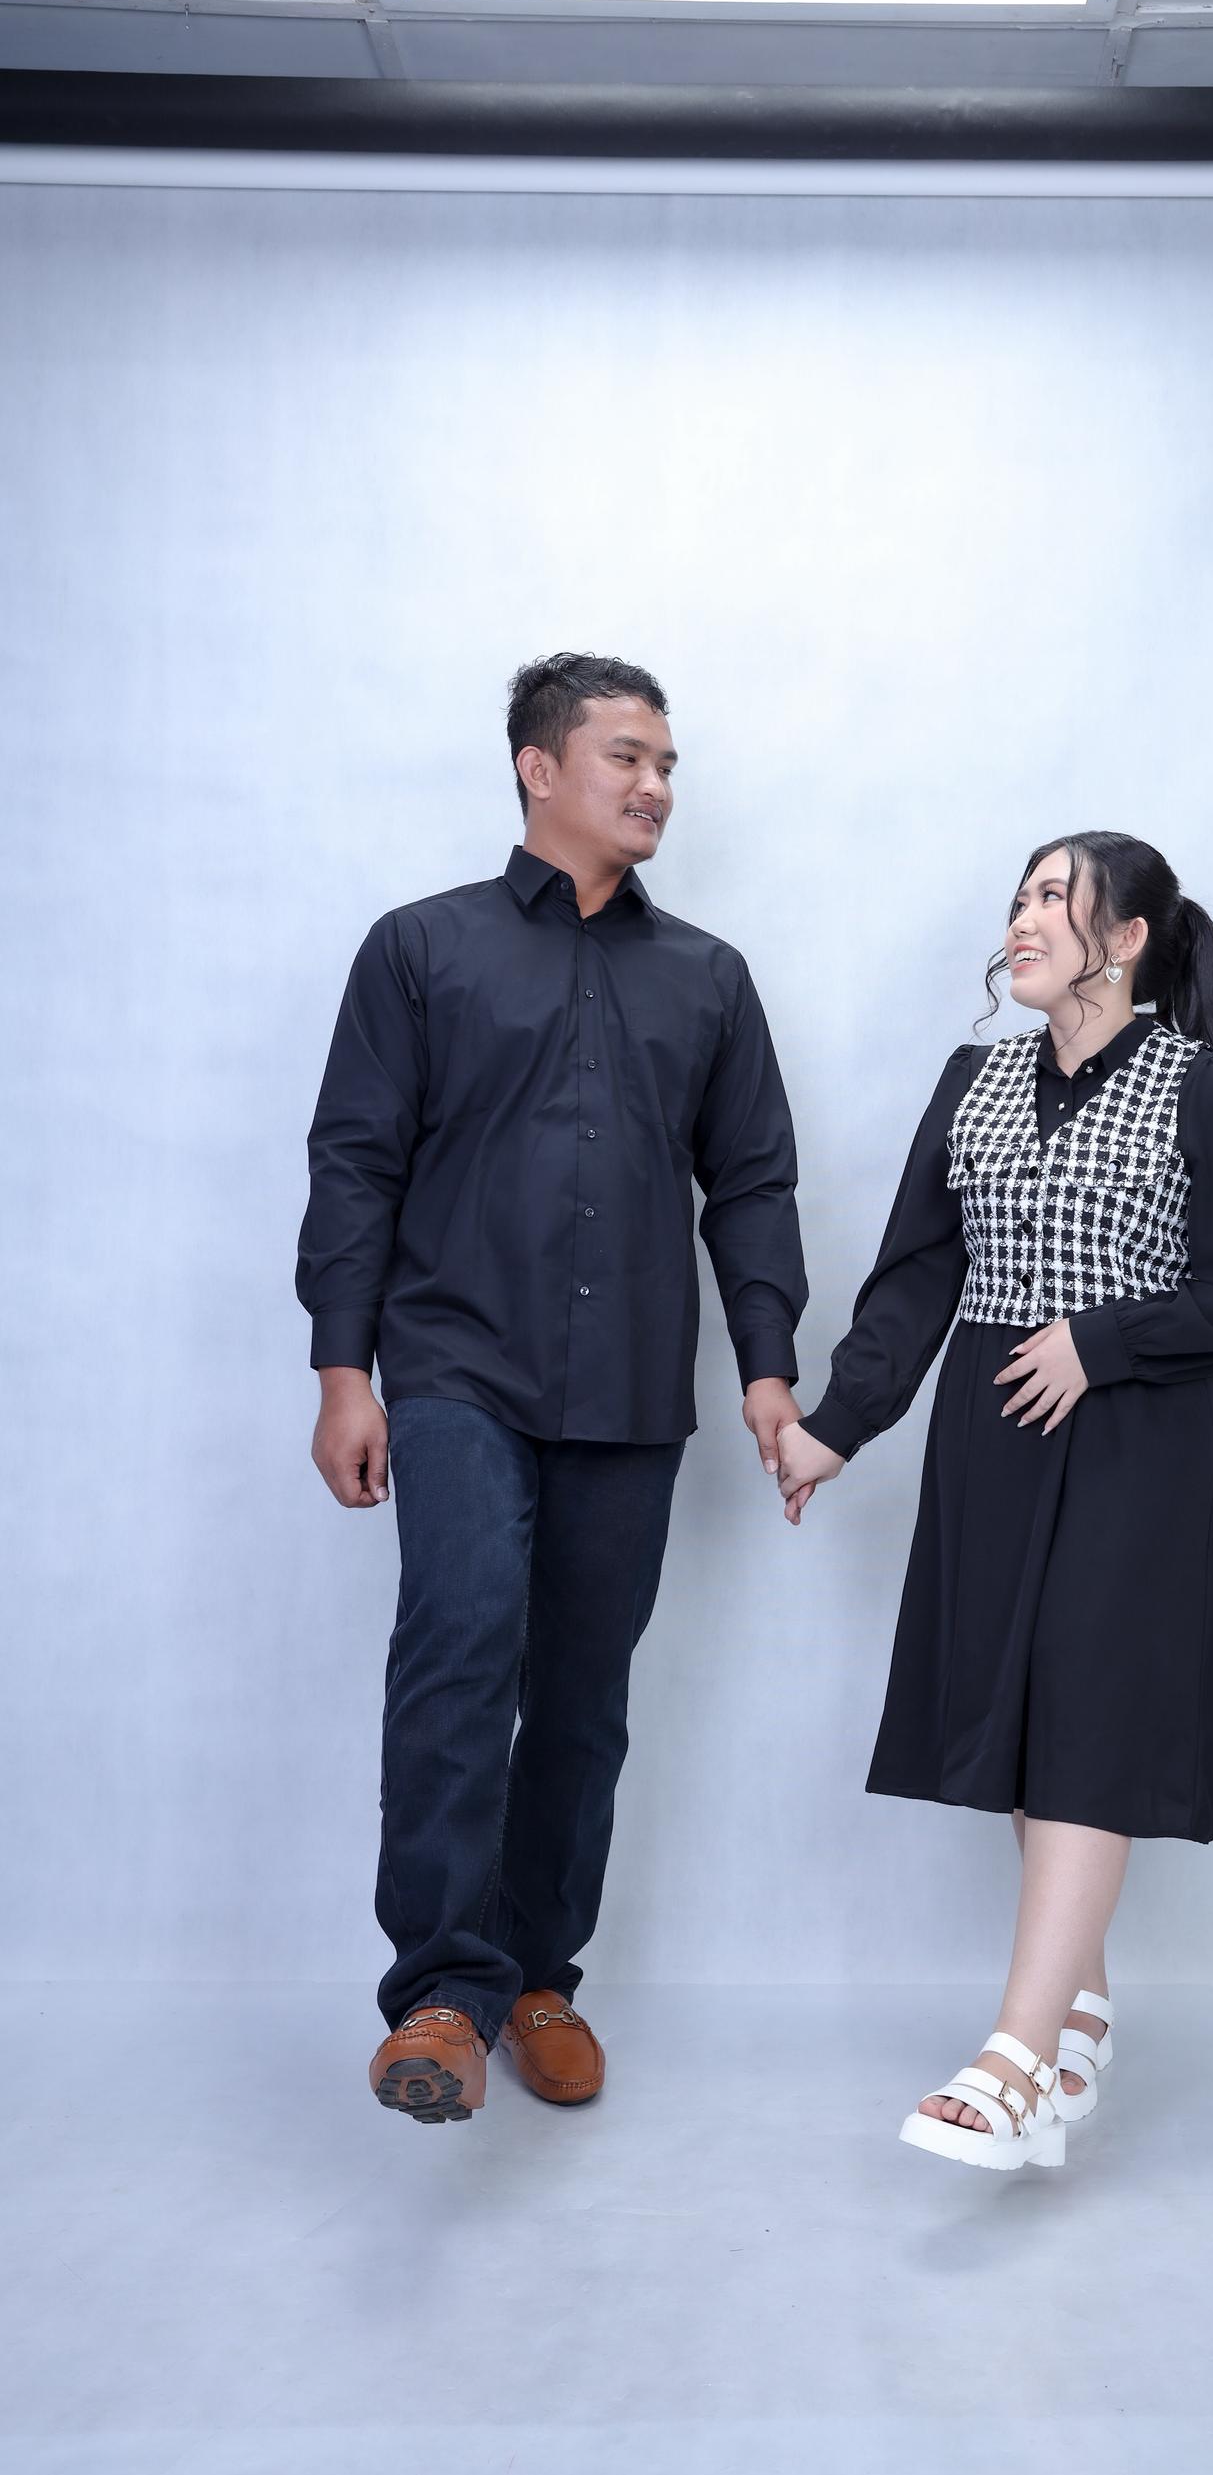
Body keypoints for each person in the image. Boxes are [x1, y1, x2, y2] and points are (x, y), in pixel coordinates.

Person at [296, 651, 806, 2125]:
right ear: (539, 767)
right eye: (625, 758)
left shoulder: (708, 977)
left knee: (583, 1697)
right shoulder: (420, 949)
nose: (655, 787)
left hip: (630, 1384)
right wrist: (343, 1370)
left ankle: (536, 1982)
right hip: (454, 1363)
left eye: (666, 766)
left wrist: (768, 1370)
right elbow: (357, 1162)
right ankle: (440, 1998)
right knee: (460, 1646)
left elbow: (752, 1184)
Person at [777, 832, 1213, 2173]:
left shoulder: (1202, 1087)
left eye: (1054, 898)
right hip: (992, 1439)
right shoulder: (975, 1080)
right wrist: (835, 1428)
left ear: (1124, 940)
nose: (1022, 918)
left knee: (1088, 1722)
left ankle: (1013, 2057)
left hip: (1137, 1449)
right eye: (1018, 897)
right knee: (1029, 1721)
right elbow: (916, 1278)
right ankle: (1080, 2005)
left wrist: (1099, 1343)